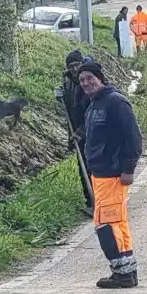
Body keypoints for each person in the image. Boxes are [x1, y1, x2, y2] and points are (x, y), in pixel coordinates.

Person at [77, 60, 143, 288]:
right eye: (82, 80)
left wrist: (128, 169)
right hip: (101, 174)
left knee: (105, 224)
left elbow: (134, 139)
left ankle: (121, 273)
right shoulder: (94, 104)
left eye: (89, 78)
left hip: (112, 175)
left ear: (100, 78)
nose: (86, 83)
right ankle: (127, 270)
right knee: (117, 222)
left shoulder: (115, 103)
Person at [56, 49, 95, 210]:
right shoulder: (69, 80)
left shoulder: (89, 79)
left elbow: (93, 111)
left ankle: (100, 200)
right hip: (76, 128)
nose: (73, 69)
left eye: (76, 65)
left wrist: (81, 132)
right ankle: (90, 201)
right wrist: (61, 96)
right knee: (83, 165)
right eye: (70, 66)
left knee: (94, 165)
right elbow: (70, 106)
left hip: (92, 130)